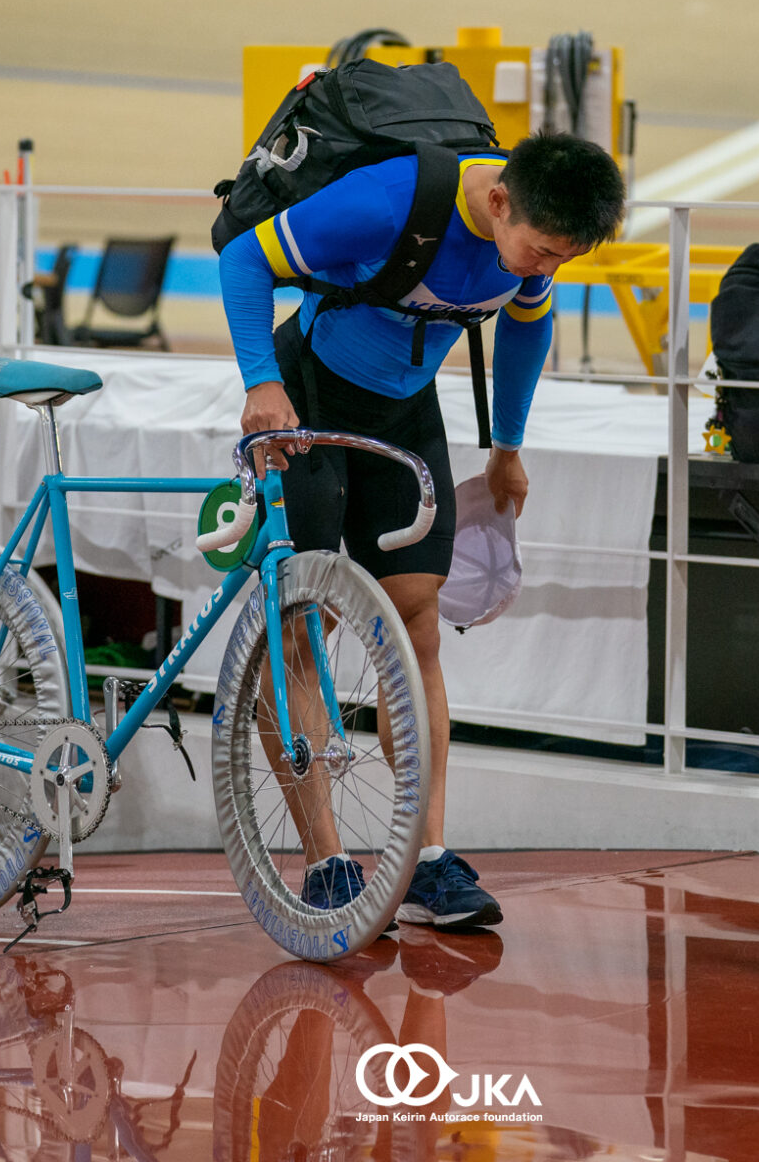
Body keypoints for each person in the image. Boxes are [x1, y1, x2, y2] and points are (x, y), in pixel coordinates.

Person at [219, 130, 624, 929]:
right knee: (297, 621)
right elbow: (243, 259)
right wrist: (262, 383)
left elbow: (527, 323)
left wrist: (506, 446)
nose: (544, 270)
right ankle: (327, 861)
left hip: (406, 409)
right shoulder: (392, 200)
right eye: (541, 251)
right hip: (309, 398)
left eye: (563, 260)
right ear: (499, 201)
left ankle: (424, 860)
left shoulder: (526, 247)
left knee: (416, 630)